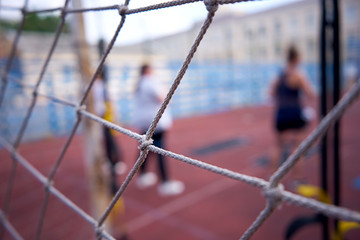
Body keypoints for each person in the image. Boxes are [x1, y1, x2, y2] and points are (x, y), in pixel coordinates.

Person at [133, 63, 184, 196]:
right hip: (155, 122)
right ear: (148, 70)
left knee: (145, 149)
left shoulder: (139, 83)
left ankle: (142, 175)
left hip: (144, 121)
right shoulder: (150, 82)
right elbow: (161, 97)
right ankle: (165, 183)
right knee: (160, 150)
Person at [269, 46, 316, 183]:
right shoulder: (298, 75)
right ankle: (297, 178)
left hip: (281, 112)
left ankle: (272, 177)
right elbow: (310, 94)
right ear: (296, 58)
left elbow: (271, 93)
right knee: (297, 147)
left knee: (277, 145)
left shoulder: (279, 75)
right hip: (295, 112)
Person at [93, 70, 127, 194]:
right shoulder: (99, 87)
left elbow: (106, 105)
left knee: (110, 144)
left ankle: (114, 162)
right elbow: (104, 106)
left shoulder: (99, 87)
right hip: (105, 121)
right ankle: (113, 163)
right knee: (110, 145)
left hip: (106, 120)